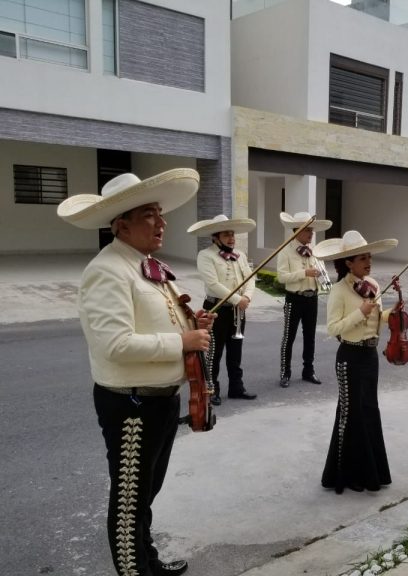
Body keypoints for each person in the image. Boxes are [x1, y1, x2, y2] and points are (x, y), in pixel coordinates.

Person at [56, 169, 213, 576]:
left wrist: (192, 324)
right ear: (121, 225)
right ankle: (135, 570)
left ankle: (149, 564)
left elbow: (158, 320)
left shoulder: (145, 265)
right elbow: (115, 344)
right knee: (130, 501)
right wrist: (182, 341)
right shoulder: (107, 270)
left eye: (160, 214)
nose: (162, 223)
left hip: (159, 400)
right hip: (131, 404)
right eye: (149, 215)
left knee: (146, 493)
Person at [313, 230, 398, 493]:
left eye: (369, 257)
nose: (368, 262)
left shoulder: (372, 285)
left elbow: (378, 318)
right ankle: (346, 475)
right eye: (363, 258)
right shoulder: (339, 290)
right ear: (349, 262)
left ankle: (371, 473)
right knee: (351, 414)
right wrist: (360, 312)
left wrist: (392, 314)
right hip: (349, 357)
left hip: (370, 357)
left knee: (370, 411)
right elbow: (333, 328)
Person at [187, 214, 258, 405]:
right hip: (215, 308)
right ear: (215, 237)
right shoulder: (205, 255)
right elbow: (213, 284)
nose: (231, 238)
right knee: (214, 352)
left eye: (232, 234)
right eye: (226, 234)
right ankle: (212, 390)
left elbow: (250, 278)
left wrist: (247, 297)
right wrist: (238, 300)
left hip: (237, 310)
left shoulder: (240, 255)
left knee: (236, 351)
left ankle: (236, 387)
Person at [276, 211, 333, 388]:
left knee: (310, 337)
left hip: (312, 298)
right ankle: (285, 372)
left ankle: (308, 370)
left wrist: (324, 279)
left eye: (312, 230)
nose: (311, 234)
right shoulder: (285, 251)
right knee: (289, 337)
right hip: (294, 298)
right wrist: (304, 273)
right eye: (308, 230)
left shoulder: (314, 252)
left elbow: (322, 273)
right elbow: (281, 277)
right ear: (297, 231)